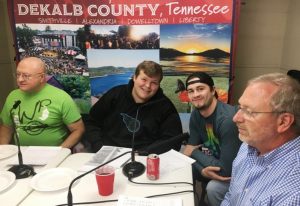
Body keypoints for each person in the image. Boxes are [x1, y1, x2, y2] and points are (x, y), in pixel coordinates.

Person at [221, 73, 300, 205]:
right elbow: (231, 197)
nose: (236, 118)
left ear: (283, 122)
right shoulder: (249, 144)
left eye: (249, 111)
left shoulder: (293, 193)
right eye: (240, 107)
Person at [84, 60, 183, 154]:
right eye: (144, 79)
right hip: (108, 154)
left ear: (158, 85)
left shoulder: (166, 107)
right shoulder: (115, 95)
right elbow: (91, 122)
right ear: (134, 77)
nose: (148, 86)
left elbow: (173, 141)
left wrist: (145, 153)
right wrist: (99, 146)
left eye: (154, 83)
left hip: (145, 159)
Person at [183, 72, 241, 206]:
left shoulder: (227, 120)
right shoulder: (196, 115)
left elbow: (226, 171)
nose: (195, 94)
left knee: (213, 187)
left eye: (200, 89)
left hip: (232, 173)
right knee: (184, 168)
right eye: (191, 91)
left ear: (213, 90)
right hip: (212, 163)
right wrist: (202, 170)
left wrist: (194, 152)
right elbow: (188, 153)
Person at [0, 57, 84, 148]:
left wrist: (60, 151)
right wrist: (3, 151)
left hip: (53, 155)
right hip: (21, 156)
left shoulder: (61, 97)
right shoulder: (13, 96)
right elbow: (7, 127)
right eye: (18, 75)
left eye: (26, 75)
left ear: (41, 77)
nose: (20, 79)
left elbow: (78, 129)